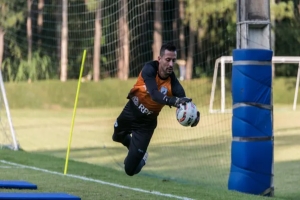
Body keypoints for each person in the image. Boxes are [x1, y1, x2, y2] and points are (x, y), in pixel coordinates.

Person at [112, 42, 200, 176]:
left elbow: (186, 104)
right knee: (116, 136)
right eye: (168, 60)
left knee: (129, 170)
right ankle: (133, 148)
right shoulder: (149, 69)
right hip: (131, 111)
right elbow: (154, 93)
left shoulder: (175, 86)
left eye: (173, 61)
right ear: (159, 59)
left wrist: (194, 117)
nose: (171, 64)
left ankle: (141, 157)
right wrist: (173, 101)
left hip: (146, 125)